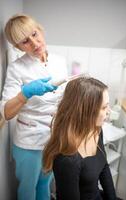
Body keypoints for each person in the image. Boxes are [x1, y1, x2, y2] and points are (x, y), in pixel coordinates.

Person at [0, 13, 68, 200]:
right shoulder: (17, 68)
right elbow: (6, 112)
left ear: (40, 29)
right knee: (28, 189)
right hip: (29, 143)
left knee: (45, 184)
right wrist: (25, 93)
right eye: (24, 42)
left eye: (34, 34)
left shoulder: (60, 61)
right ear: (17, 47)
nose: (34, 43)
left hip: (54, 139)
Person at [43, 76, 117, 200]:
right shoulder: (67, 160)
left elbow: (104, 167)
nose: (108, 112)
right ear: (86, 112)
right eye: (104, 108)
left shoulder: (96, 130)